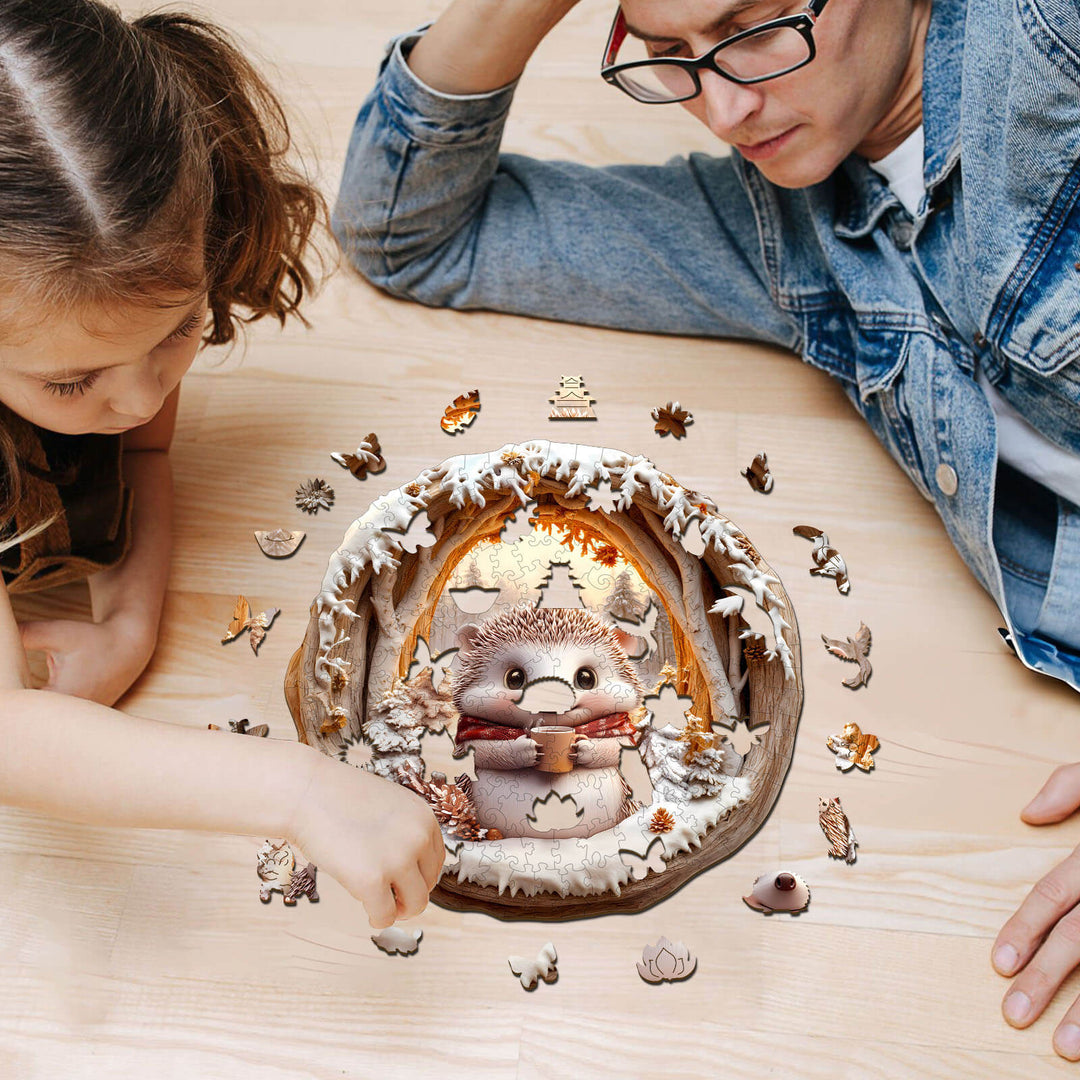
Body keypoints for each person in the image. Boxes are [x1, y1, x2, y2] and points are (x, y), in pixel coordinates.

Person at [330, 0, 1080, 1053]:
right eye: (669, 53)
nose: (723, 107)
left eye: (755, 24)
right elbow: (407, 232)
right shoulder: (777, 218)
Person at [0, 0, 443, 930]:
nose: (135, 398)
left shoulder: (115, 344)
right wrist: (296, 791)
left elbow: (147, 444)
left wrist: (127, 622)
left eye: (178, 331)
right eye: (73, 382)